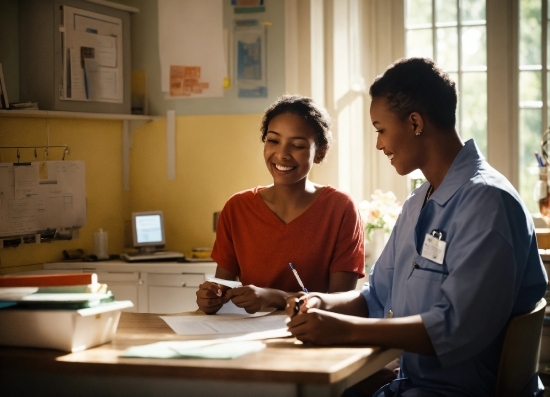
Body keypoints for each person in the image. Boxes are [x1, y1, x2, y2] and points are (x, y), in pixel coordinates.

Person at [286, 57, 548, 396]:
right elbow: (377, 297)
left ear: (415, 123)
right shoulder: (417, 203)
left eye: (381, 130)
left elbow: (453, 327)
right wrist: (322, 304)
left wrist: (343, 330)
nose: (379, 144)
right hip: (411, 384)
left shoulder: (487, 204)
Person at [196, 94, 365, 315]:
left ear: (320, 152)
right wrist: (211, 299)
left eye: (297, 145)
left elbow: (343, 303)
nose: (282, 154)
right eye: (273, 141)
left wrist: (276, 297)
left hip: (314, 338)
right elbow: (223, 289)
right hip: (248, 339)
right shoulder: (237, 208)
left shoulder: (341, 209)